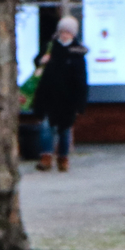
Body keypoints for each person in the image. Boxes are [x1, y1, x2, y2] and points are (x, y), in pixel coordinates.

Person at [31, 16, 90, 173]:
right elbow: (37, 61)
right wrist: (40, 60)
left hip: (68, 99)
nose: (65, 35)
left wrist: (80, 103)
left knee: (64, 129)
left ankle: (63, 158)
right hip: (48, 96)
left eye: (68, 32)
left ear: (73, 34)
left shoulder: (77, 52)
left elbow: (81, 80)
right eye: (62, 31)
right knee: (45, 127)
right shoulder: (50, 47)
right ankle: (46, 158)